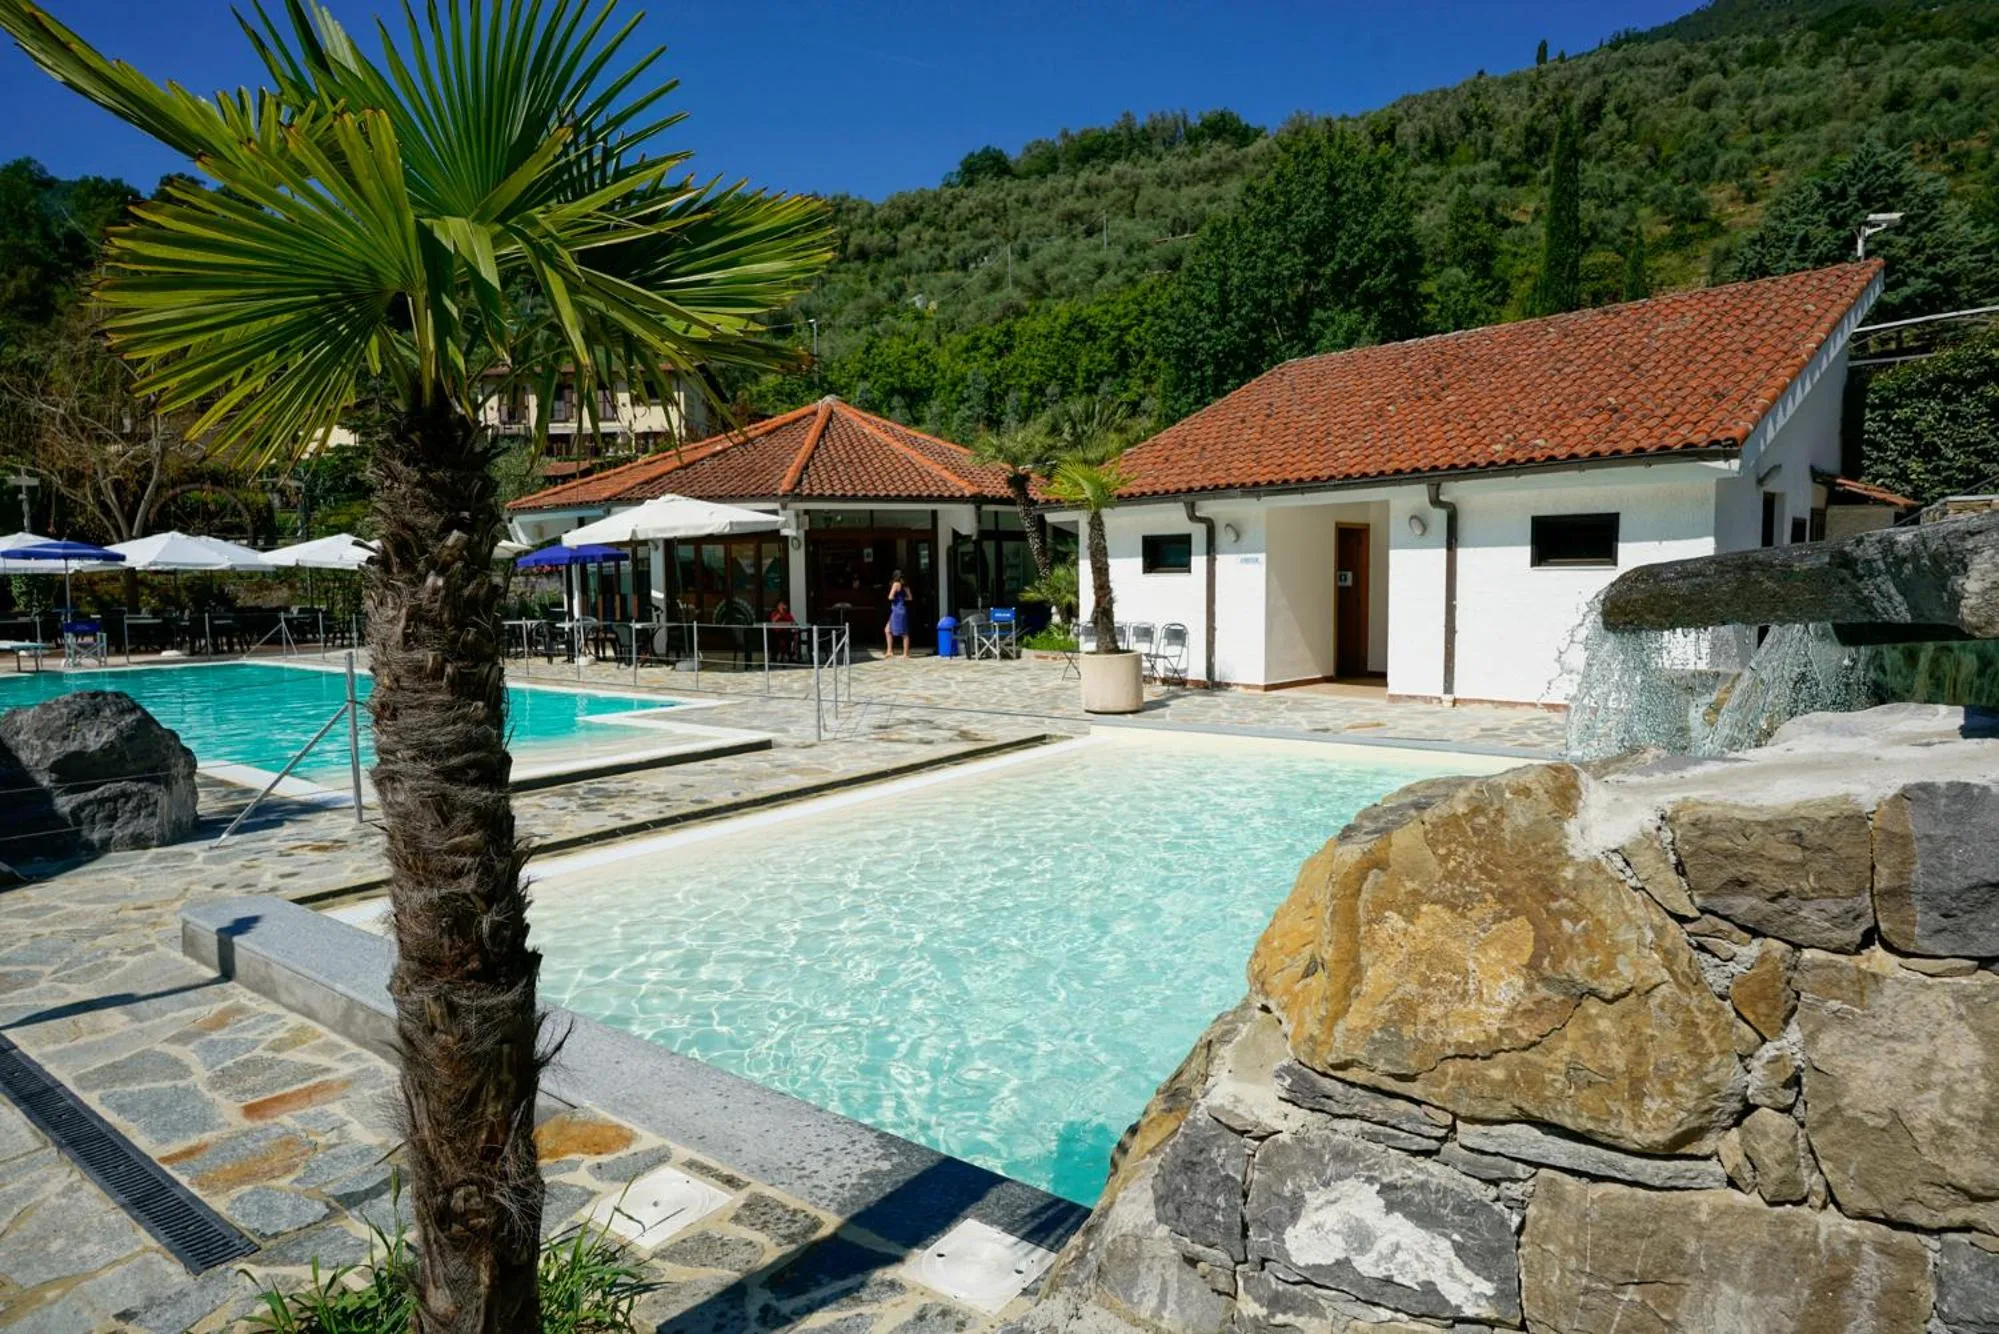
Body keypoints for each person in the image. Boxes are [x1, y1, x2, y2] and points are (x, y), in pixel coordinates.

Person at [885, 570, 912, 659]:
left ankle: (905, 654)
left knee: (902, 632)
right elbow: (910, 598)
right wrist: (902, 598)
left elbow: (890, 597)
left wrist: (896, 597)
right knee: (889, 629)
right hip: (903, 609)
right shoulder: (906, 586)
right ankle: (890, 651)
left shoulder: (896, 584)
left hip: (896, 610)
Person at [769, 598, 798, 663]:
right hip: (776, 632)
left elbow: (794, 622)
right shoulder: (775, 613)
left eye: (783, 605)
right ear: (777, 606)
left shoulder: (788, 614)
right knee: (773, 639)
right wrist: (780, 614)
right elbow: (773, 621)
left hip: (786, 632)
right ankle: (773, 657)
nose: (782, 606)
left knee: (791, 637)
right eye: (780, 605)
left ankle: (790, 656)